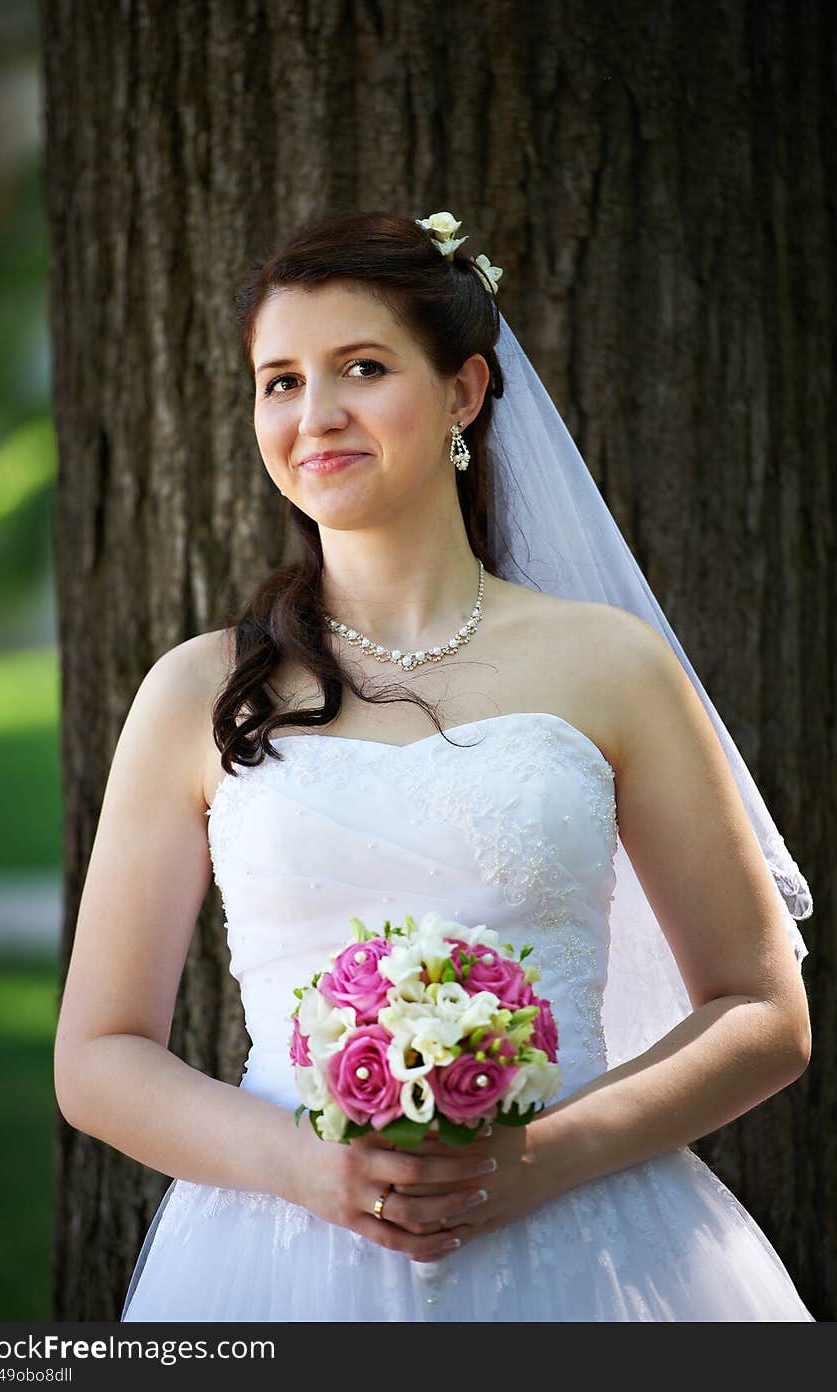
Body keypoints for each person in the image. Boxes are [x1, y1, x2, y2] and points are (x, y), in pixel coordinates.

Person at [54, 209, 815, 1322]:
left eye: (360, 368)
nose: (314, 416)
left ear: (462, 393)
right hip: (277, 1254)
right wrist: (309, 1168)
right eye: (278, 380)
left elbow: (762, 1011)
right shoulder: (197, 693)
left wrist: (545, 1156)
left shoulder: (607, 665)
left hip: (590, 1242)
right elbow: (99, 1055)